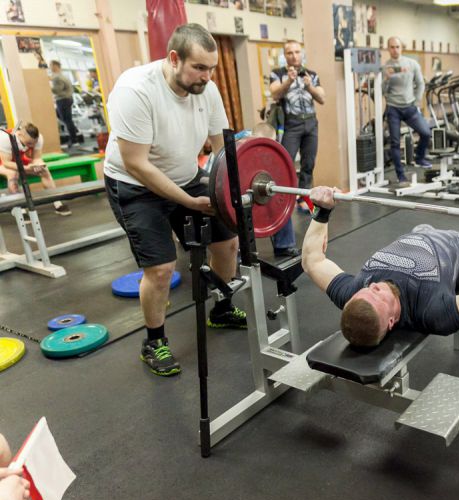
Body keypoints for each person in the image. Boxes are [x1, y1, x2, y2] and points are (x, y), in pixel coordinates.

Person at [104, 23, 245, 377]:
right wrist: (188, 200)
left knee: (228, 243)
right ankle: (154, 341)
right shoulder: (135, 89)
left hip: (184, 176)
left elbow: (221, 148)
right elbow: (137, 164)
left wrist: (220, 191)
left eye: (211, 68)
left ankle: (222, 308)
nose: (207, 76)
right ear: (173, 58)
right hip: (135, 185)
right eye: (199, 67)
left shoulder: (206, 89)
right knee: (161, 268)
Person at [301, 192, 459, 347]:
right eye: (377, 294)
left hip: (420, 232)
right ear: (391, 321)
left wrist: (322, 211)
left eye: (366, 289)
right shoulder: (430, 311)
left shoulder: (353, 294)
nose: (374, 285)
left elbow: (313, 261)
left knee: (421, 229)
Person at [269, 39, 325, 256]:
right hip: (291, 123)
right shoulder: (278, 73)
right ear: (285, 56)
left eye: (297, 52)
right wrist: (288, 82)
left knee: (309, 162)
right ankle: (285, 200)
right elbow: (275, 94)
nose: (293, 56)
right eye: (289, 53)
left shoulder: (311, 73)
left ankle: (304, 199)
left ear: (302, 54)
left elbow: (322, 97)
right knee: (286, 164)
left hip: (310, 121)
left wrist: (309, 85)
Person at [382, 37, 431, 183]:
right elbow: (383, 91)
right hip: (393, 108)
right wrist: (386, 79)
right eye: (392, 47)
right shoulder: (385, 67)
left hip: (410, 107)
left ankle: (420, 157)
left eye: (397, 47)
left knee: (426, 133)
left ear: (401, 47)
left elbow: (420, 84)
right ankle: (400, 175)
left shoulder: (412, 64)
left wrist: (416, 101)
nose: (395, 50)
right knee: (395, 143)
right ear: (388, 49)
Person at [0, 122, 71, 215]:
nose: (31, 146)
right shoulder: (6, 138)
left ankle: (57, 202)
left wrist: (37, 165)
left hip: (18, 159)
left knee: (44, 170)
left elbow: (37, 158)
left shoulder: (38, 138)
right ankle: (20, 209)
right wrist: (25, 168)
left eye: (34, 143)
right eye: (29, 143)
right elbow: (6, 163)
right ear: (20, 135)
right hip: (3, 162)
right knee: (12, 174)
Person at [49, 60, 79, 149]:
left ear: (55, 66)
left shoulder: (57, 78)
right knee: (62, 117)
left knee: (67, 120)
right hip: (66, 99)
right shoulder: (60, 76)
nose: (50, 67)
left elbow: (57, 90)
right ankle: (74, 131)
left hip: (63, 100)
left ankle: (74, 140)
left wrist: (46, 86)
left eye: (51, 65)